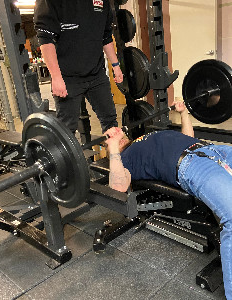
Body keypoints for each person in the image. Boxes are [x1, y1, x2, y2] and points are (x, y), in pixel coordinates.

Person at [105, 102, 232, 300]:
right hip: (192, 165)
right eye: (109, 135)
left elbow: (188, 138)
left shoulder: (143, 137)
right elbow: (118, 188)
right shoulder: (125, 159)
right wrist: (112, 147)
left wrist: (183, 113)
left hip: (212, 150)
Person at [33, 0, 123, 133]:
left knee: (111, 124)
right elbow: (45, 39)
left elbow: (106, 36)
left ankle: (115, 154)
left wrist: (116, 65)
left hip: (96, 73)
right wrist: (56, 77)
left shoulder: (102, 2)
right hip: (67, 77)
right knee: (67, 131)